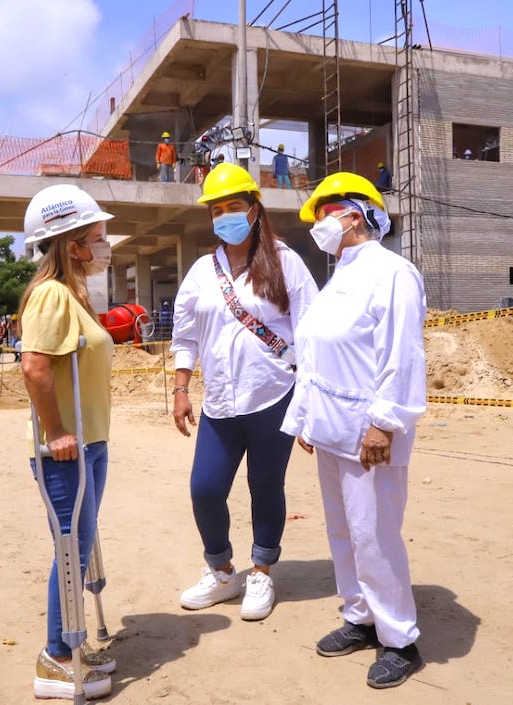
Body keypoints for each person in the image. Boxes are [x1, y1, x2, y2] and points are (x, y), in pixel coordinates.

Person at [282, 171, 427, 689]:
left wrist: (385, 424)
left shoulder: (393, 272)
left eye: (323, 212)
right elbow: (316, 353)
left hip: (370, 433)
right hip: (331, 430)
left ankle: (399, 638)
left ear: (353, 213)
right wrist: (304, 417)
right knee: (343, 531)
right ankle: (360, 617)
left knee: (374, 534)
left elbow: (402, 353)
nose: (318, 223)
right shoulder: (338, 276)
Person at [171, 162, 317, 621]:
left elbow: (309, 332)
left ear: (255, 208)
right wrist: (180, 387)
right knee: (205, 488)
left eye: (234, 206)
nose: (225, 216)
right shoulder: (200, 271)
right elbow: (185, 334)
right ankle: (222, 571)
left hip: (273, 395)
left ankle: (261, 571)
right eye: (217, 209)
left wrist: (312, 402)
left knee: (265, 485)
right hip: (219, 403)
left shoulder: (285, 261)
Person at [18, 183, 118, 700]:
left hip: (90, 441)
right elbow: (34, 367)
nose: (105, 245)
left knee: (77, 545)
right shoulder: (52, 294)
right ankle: (57, 658)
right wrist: (56, 431)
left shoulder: (74, 293)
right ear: (71, 243)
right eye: (97, 236)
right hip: (66, 449)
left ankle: (70, 645)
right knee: (71, 548)